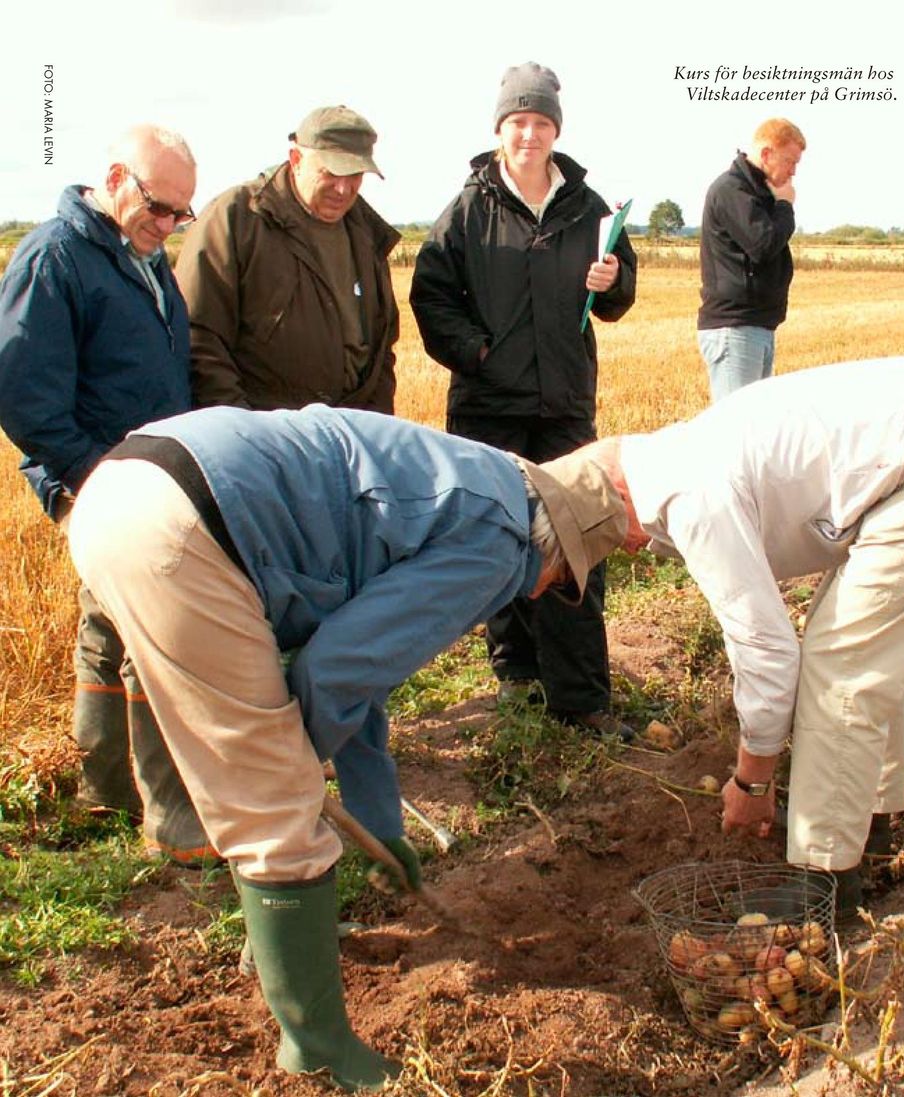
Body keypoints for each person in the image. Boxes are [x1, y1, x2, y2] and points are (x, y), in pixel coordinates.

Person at [66, 403, 628, 1088]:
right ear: (556, 557)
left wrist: (380, 825)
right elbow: (334, 672)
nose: (545, 592)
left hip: (122, 490)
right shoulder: (501, 545)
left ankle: (276, 938)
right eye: (560, 581)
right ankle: (317, 1042)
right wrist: (295, 774)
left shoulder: (478, 482)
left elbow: (361, 670)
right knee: (275, 806)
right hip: (185, 533)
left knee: (274, 786)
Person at [553, 356, 904, 918]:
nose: (627, 550)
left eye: (613, 542)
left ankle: (828, 885)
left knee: (842, 667)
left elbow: (768, 655)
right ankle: (868, 826)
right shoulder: (667, 461)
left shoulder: (690, 497)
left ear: (619, 504)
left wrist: (752, 782)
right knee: (855, 650)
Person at [0, 124, 214, 863]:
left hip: (150, 481)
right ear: (117, 178)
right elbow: (22, 392)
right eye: (159, 208)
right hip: (103, 484)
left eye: (181, 214)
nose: (168, 226)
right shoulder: (56, 258)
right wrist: (93, 479)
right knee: (151, 632)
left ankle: (107, 788)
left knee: (108, 628)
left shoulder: (146, 261)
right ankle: (172, 815)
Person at [410, 61, 637, 739]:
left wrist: (614, 277)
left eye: (541, 122)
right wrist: (481, 353)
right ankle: (519, 680)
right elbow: (430, 298)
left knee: (576, 545)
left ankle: (580, 700)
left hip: (565, 405)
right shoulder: (467, 209)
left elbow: (618, 301)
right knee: (501, 540)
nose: (529, 134)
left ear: (555, 130)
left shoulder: (589, 209)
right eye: (518, 122)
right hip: (488, 410)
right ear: (499, 129)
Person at [175, 105, 400, 414]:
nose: (343, 188)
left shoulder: (367, 233)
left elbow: (382, 350)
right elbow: (199, 336)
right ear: (296, 159)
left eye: (355, 175)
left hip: (348, 438)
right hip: (265, 438)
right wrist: (243, 432)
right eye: (331, 172)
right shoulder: (238, 218)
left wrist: (375, 429)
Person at [697, 117, 805, 402]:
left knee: (754, 433)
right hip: (735, 327)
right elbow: (764, 244)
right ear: (767, 153)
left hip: (755, 325)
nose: (793, 172)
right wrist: (784, 205)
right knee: (737, 433)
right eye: (790, 161)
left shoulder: (756, 192)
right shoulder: (732, 190)